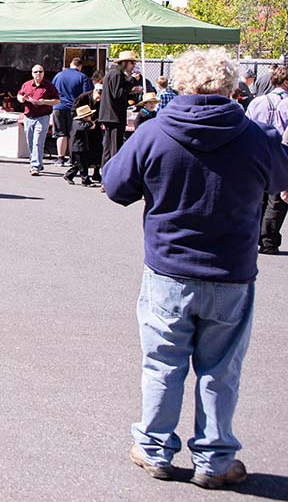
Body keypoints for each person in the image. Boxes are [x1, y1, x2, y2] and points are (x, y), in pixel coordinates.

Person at [103, 48, 288, 490]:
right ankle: (214, 457)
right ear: (230, 86)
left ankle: (154, 448)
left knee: (163, 362)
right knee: (220, 367)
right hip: (231, 272)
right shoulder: (253, 135)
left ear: (181, 84)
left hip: (169, 268)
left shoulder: (155, 132)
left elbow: (114, 186)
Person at [245, 65, 288, 254]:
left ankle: (255, 235)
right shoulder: (286, 103)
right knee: (277, 200)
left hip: (256, 152)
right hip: (280, 152)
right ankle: (269, 240)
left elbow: (246, 123)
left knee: (257, 197)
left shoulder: (259, 101)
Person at [16, 64, 59, 176]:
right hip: (28, 116)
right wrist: (22, 99)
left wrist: (44, 102)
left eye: (40, 71)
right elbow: (19, 95)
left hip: (43, 117)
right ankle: (37, 161)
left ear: (43, 73)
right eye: (36, 72)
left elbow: (57, 100)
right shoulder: (27, 85)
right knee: (30, 141)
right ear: (32, 73)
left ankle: (35, 166)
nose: (38, 74)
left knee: (37, 142)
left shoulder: (49, 86)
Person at [100, 51, 140, 168]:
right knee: (114, 147)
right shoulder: (117, 74)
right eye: (132, 63)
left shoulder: (113, 74)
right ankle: (113, 172)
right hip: (114, 116)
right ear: (125, 63)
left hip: (110, 115)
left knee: (108, 146)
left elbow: (118, 92)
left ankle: (105, 171)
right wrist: (131, 81)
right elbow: (118, 94)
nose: (133, 66)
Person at [51, 57, 93, 167]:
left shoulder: (59, 75)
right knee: (73, 134)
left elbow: (52, 91)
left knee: (61, 134)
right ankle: (72, 158)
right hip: (74, 109)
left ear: (70, 64)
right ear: (80, 66)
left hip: (58, 107)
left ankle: (60, 158)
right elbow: (86, 95)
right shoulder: (83, 77)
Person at [63, 104, 101, 187]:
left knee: (80, 164)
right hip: (78, 147)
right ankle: (85, 180)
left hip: (81, 147)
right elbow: (88, 126)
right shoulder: (78, 123)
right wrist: (92, 122)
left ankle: (69, 175)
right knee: (83, 165)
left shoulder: (79, 123)